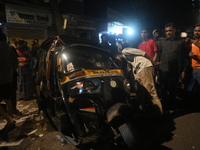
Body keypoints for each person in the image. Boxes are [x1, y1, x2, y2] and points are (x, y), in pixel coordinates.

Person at [115, 48, 163, 116]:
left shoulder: (124, 51)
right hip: (140, 69)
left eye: (117, 59)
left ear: (118, 55)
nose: (118, 61)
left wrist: (152, 61)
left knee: (150, 90)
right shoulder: (126, 59)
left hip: (145, 66)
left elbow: (142, 53)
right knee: (138, 89)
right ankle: (141, 109)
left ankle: (159, 113)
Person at [157, 22, 188, 111]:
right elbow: (159, 55)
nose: (168, 33)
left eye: (170, 30)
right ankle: (164, 106)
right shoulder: (161, 42)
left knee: (173, 89)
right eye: (167, 31)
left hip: (175, 70)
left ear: (174, 30)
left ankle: (172, 105)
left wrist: (184, 70)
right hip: (163, 69)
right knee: (163, 89)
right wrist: (157, 69)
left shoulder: (181, 42)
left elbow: (184, 57)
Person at [0, 32, 18, 132]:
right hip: (9, 78)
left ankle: (9, 119)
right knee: (8, 100)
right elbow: (16, 61)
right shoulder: (9, 48)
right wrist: (11, 71)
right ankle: (10, 122)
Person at [189, 23, 200, 90]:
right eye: (195, 30)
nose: (196, 32)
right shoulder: (191, 41)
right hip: (191, 68)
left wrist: (199, 45)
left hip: (199, 68)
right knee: (190, 86)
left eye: (199, 31)